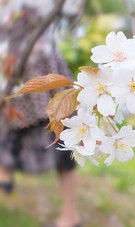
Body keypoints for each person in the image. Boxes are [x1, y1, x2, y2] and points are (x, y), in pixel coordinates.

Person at [0, 1, 83, 226]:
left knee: (60, 138)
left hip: (40, 66)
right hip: (9, 71)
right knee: (8, 124)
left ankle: (70, 215)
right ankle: (4, 171)